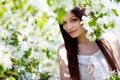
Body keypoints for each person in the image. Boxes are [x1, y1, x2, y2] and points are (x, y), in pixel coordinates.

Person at [57, 7, 120, 80]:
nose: (68, 27)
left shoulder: (110, 41)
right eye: (64, 22)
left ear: (85, 17)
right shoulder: (64, 50)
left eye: (73, 20)